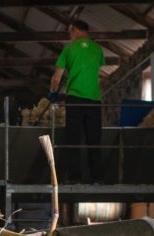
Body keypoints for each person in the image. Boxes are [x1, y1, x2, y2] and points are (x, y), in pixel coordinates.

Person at [50, 19, 105, 184]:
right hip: (94, 100)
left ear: (74, 30)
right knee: (94, 139)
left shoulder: (69, 49)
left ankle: (75, 179)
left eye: (70, 32)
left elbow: (56, 78)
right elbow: (97, 73)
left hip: (74, 99)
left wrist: (51, 93)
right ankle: (97, 179)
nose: (70, 36)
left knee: (73, 140)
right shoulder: (98, 50)